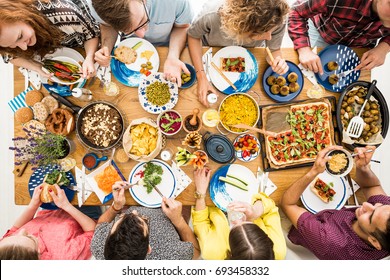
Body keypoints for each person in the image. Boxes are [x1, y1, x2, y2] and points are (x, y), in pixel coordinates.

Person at [280, 145, 390, 260]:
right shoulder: (386, 216)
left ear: (373, 241)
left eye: (370, 217)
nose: (366, 205)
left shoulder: (329, 241)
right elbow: (371, 186)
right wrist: (363, 167)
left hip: (297, 226)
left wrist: (313, 172)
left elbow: (287, 204)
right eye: (379, 205)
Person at [188, 0, 290, 106]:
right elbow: (193, 36)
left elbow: (273, 50)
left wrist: (277, 60)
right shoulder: (211, 15)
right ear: (242, 27)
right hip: (211, 51)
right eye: (263, 32)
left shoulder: (277, 17)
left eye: (271, 31)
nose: (269, 37)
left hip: (252, 56)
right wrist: (201, 76)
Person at [86, 0, 194, 86]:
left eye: (142, 20)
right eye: (129, 31)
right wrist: (107, 47)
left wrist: (173, 56)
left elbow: (183, 27)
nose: (142, 35)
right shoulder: (96, 5)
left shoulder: (175, 2)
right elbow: (107, 26)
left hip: (169, 46)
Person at [191, 168, 286, 260]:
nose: (238, 219)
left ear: (231, 250)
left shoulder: (211, 252)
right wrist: (254, 212)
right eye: (248, 222)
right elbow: (271, 209)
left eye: (234, 225)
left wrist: (200, 192)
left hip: (211, 198)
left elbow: (200, 221)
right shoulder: (278, 250)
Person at [90, 181, 200, 260]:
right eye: (143, 220)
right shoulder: (173, 257)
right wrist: (179, 220)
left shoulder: (98, 245)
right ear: (148, 249)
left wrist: (116, 207)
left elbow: (101, 225)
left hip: (133, 201)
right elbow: (196, 252)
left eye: (122, 217)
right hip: (172, 217)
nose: (134, 212)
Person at [0, 0, 100, 79]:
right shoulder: (6, 37)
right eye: (12, 45)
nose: (24, 47)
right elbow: (10, 56)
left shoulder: (63, 11)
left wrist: (89, 58)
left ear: (22, 14)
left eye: (20, 36)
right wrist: (36, 67)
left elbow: (92, 35)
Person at [288, 0, 390, 75]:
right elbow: (296, 12)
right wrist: (304, 49)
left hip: (361, 48)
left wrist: (383, 48)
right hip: (323, 34)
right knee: (312, 73)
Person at [0, 184, 96, 260]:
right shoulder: (66, 256)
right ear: (38, 251)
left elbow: (15, 228)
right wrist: (66, 206)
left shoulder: (6, 249)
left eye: (14, 235)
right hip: (83, 214)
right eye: (28, 237)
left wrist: (33, 206)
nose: (23, 230)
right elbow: (92, 232)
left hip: (50, 208)